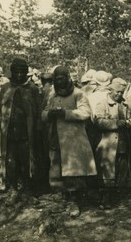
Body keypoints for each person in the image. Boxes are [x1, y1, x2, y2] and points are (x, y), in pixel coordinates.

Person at [42, 66, 97, 218]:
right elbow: (44, 112)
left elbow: (86, 113)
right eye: (56, 79)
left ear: (67, 78)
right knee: (57, 166)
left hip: (73, 138)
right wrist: (49, 115)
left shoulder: (78, 94)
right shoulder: (53, 95)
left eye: (62, 79)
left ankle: (75, 201)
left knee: (73, 169)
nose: (59, 82)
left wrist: (65, 113)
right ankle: (62, 196)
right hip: (55, 136)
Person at [0, 58, 42, 204]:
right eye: (16, 72)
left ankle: (27, 191)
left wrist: (38, 129)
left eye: (22, 72)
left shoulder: (32, 89)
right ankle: (13, 190)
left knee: (27, 163)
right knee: (11, 163)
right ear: (12, 73)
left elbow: (38, 111)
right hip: (9, 133)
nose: (19, 75)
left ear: (26, 73)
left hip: (27, 133)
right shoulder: (5, 88)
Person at [94, 78, 131, 209]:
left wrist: (129, 123)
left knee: (121, 169)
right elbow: (98, 122)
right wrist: (116, 123)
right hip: (108, 144)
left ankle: (118, 197)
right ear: (111, 89)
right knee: (107, 171)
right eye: (117, 92)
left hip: (122, 143)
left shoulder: (124, 105)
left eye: (122, 92)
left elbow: (130, 119)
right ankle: (105, 199)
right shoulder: (102, 104)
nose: (120, 95)